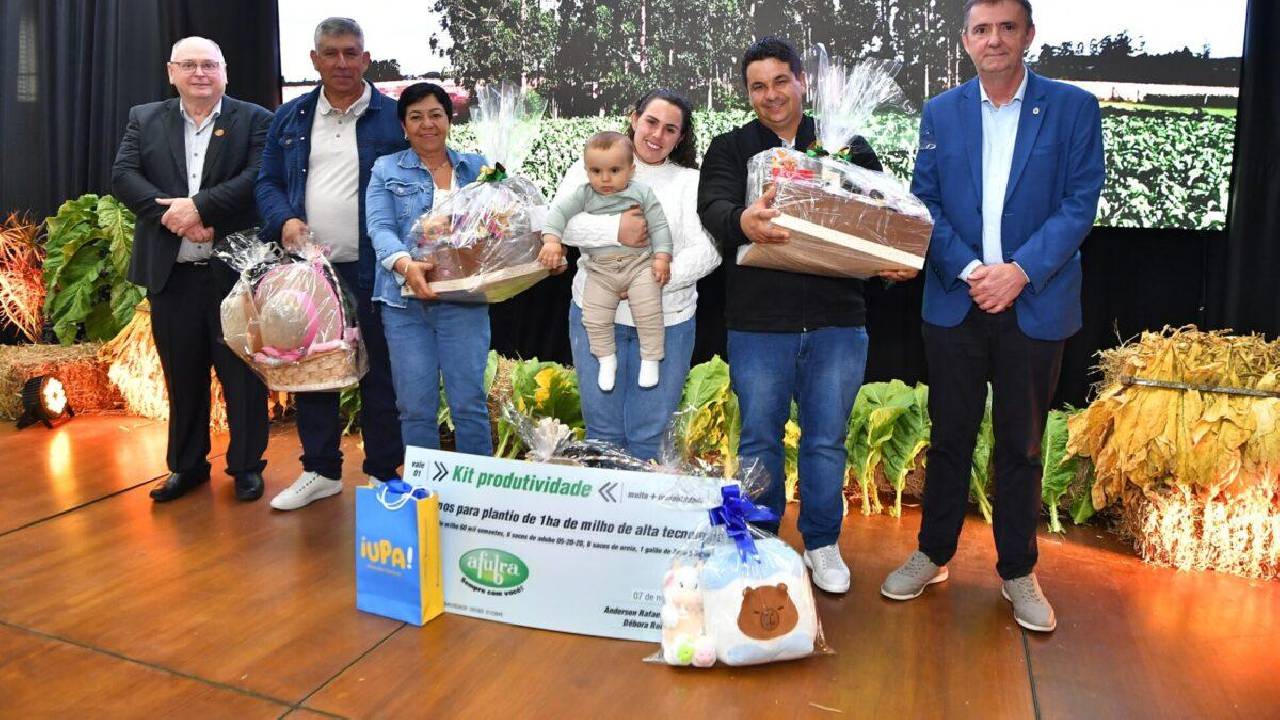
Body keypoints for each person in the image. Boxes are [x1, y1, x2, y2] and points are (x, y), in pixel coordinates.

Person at [880, 0, 1104, 633]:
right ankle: (934, 552)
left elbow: (1079, 202)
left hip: (1035, 302)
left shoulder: (1072, 108)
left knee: (1022, 445)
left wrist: (1020, 271)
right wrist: (973, 271)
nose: (995, 39)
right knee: (948, 434)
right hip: (958, 299)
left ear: (1028, 35)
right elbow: (924, 201)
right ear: (967, 41)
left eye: (1008, 27)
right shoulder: (941, 111)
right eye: (983, 29)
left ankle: (1017, 570)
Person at [698, 37, 916, 594]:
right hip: (757, 323)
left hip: (838, 322)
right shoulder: (730, 148)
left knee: (826, 440)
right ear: (747, 93)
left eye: (780, 81)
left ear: (801, 82)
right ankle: (763, 541)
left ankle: (822, 543)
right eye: (757, 86)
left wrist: (889, 263)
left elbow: (882, 217)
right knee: (758, 440)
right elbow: (716, 206)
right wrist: (743, 221)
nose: (770, 95)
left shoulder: (848, 145)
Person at [111, 37, 273, 503]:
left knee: (242, 377)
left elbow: (257, 177)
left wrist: (199, 209)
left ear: (224, 71)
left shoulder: (254, 118)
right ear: (171, 72)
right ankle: (186, 467)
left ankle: (246, 466)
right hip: (173, 274)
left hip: (234, 275)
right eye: (189, 65)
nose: (200, 73)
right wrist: (170, 216)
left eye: (209, 65)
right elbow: (124, 176)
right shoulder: (145, 118)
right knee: (182, 376)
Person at [256, 17, 408, 510]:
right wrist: (285, 221)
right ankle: (321, 471)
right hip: (311, 272)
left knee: (379, 373)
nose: (341, 62)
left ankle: (386, 473)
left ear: (366, 59)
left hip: (379, 269)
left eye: (351, 52)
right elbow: (268, 183)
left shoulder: (394, 116)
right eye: (331, 52)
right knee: (314, 370)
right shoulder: (291, 117)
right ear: (314, 60)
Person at [555, 88, 721, 461]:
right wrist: (617, 231)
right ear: (634, 118)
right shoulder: (597, 165)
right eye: (651, 122)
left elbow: (709, 249)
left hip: (669, 320)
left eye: (670, 129)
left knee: (649, 436)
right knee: (602, 434)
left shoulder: (690, 182)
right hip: (597, 316)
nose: (657, 135)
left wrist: (654, 279)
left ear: (681, 137)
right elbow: (562, 224)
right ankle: (603, 519)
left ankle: (639, 520)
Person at [365, 83, 492, 456]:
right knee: (415, 409)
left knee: (469, 405)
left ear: (449, 120)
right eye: (415, 117)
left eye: (435, 114)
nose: (427, 124)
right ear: (403, 125)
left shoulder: (478, 167)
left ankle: (476, 499)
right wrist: (406, 266)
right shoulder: (385, 168)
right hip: (405, 305)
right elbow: (380, 228)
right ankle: (426, 499)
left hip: (465, 301)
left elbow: (501, 223)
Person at [540, 131, 673, 392]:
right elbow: (557, 213)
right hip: (599, 271)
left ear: (631, 170)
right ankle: (605, 359)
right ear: (587, 171)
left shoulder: (642, 193)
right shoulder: (584, 194)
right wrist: (552, 241)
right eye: (596, 171)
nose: (605, 178)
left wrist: (662, 258)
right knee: (594, 317)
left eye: (614, 170)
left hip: (639, 267)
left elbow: (659, 226)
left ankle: (650, 358)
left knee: (648, 310)